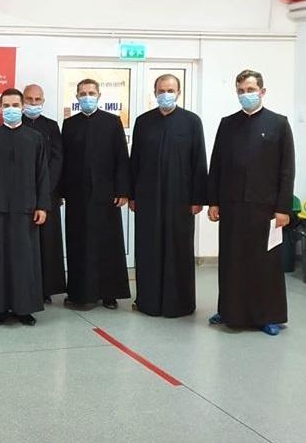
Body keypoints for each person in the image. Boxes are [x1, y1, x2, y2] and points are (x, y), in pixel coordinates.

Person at [207, 69, 295, 336]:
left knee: (265, 264)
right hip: (232, 205)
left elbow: (287, 169)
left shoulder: (279, 124)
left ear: (262, 91)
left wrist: (283, 208)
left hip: (265, 208)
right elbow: (216, 164)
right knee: (231, 260)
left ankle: (267, 316)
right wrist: (213, 201)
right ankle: (229, 311)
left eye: (250, 90)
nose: (246, 95)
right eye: (241, 91)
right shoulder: (227, 124)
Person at [130, 74, 207, 317]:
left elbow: (199, 160)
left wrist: (198, 198)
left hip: (180, 199)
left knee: (178, 248)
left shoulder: (192, 122)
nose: (166, 94)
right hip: (148, 197)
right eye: (161, 90)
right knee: (148, 248)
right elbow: (135, 161)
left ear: (179, 93)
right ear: (155, 93)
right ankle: (148, 301)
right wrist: (132, 195)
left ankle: (179, 303)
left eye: (170, 90)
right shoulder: (143, 122)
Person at [0, 88, 50, 326]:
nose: (11, 109)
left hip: (26, 208)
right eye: (6, 106)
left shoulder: (35, 138)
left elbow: (42, 174)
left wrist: (42, 206)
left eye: (15, 105)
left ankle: (24, 308)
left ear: (22, 107)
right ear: (0, 108)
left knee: (24, 260)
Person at [61, 79, 131, 309]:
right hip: (77, 195)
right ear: (77, 97)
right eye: (82, 93)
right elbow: (63, 160)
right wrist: (61, 191)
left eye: (91, 93)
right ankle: (79, 293)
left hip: (106, 195)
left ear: (99, 96)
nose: (87, 97)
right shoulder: (69, 124)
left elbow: (121, 157)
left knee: (107, 243)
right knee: (78, 244)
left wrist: (122, 190)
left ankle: (109, 294)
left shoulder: (112, 122)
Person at [22, 84, 66, 302]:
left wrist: (45, 187)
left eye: (37, 99)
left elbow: (57, 158)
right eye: (29, 99)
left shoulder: (51, 126)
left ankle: (46, 289)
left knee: (48, 243)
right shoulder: (14, 124)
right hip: (22, 195)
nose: (33, 103)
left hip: (47, 193)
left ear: (43, 101)